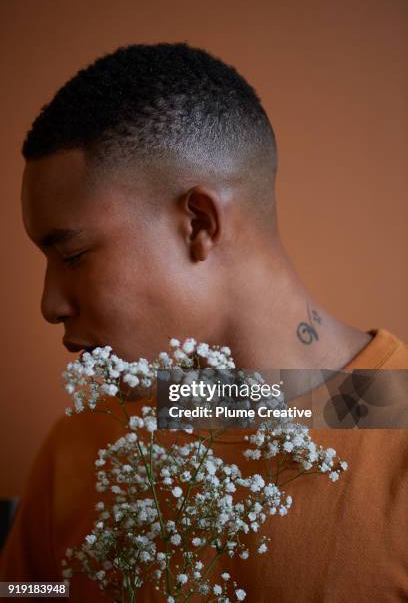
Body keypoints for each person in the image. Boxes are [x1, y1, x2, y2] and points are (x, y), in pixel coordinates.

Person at [1, 43, 407, 602]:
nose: (49, 304)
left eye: (71, 256)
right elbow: (28, 591)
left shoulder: (395, 422)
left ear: (199, 223)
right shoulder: (86, 447)